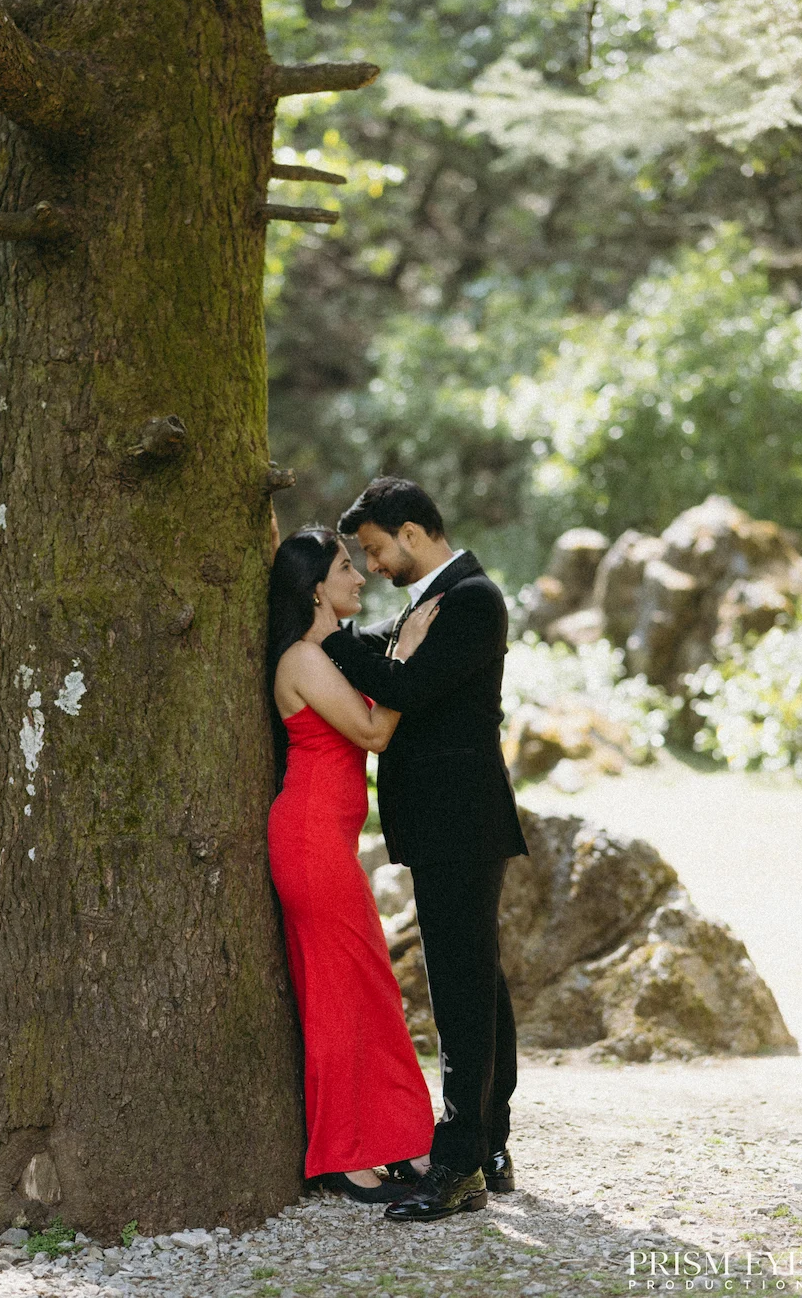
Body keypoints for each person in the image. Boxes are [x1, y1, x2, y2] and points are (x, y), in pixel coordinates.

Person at [320, 477, 529, 1223]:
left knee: (461, 986)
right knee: (481, 979)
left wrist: (323, 637)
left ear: (411, 531)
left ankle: (460, 1160)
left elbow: (404, 682)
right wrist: (350, 642)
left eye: (375, 549)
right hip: (450, 822)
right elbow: (389, 653)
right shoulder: (430, 602)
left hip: (461, 820)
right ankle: (493, 1140)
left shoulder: (471, 599)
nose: (372, 566)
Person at [267, 526, 440, 1204]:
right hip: (309, 841)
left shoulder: (323, 656)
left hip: (325, 842)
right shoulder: (305, 659)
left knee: (364, 989)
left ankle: (390, 1142)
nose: (359, 577)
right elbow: (372, 731)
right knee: (346, 993)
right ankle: (344, 1154)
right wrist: (411, 656)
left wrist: (398, 655)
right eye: (346, 567)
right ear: (315, 586)